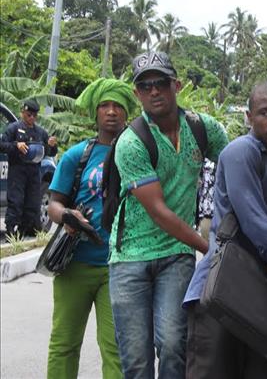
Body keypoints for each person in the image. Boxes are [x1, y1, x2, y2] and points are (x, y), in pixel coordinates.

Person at [108, 51, 228, 379]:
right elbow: (159, 212)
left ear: (176, 85)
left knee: (175, 343)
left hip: (175, 255)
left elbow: (235, 166)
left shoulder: (204, 129)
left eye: (161, 83)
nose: (154, 91)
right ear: (137, 94)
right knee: (136, 358)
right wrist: (208, 247)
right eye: (145, 86)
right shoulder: (131, 142)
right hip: (130, 255)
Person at [184, 79, 267, 378]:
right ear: (249, 116)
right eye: (265, 112)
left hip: (260, 294)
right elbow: (256, 223)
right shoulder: (241, 152)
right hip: (224, 289)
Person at [45, 78, 135, 379]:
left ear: (127, 112)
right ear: (95, 113)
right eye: (105, 106)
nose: (111, 112)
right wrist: (68, 216)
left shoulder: (138, 153)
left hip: (119, 269)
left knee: (116, 350)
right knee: (64, 344)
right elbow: (53, 204)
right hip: (75, 265)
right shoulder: (77, 155)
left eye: (118, 106)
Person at [0, 99, 58, 238]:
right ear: (23, 113)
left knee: (32, 203)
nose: (31, 118)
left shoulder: (40, 132)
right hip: (18, 169)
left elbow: (50, 153)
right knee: (16, 201)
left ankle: (24, 232)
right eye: (29, 114)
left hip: (34, 171)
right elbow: (2, 145)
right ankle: (10, 231)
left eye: (34, 115)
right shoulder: (13, 128)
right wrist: (16, 145)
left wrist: (52, 145)